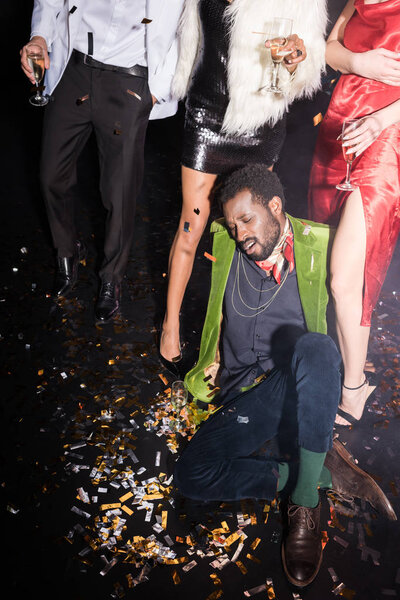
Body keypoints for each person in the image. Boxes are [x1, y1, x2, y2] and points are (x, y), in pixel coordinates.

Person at [174, 165, 396, 588]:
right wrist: (210, 352)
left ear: (275, 207)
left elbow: (355, 297)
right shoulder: (224, 245)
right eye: (233, 224)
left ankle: (305, 501)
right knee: (192, 473)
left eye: (247, 220)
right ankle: (318, 474)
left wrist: (353, 374)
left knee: (316, 347)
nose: (239, 234)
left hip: (299, 389)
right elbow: (212, 301)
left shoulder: (320, 246)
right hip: (245, 396)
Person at [159, 0, 329, 370]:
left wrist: (295, 59)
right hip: (206, 114)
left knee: (242, 230)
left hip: (260, 121)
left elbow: (311, 63)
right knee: (193, 221)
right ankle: (170, 326)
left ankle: (226, 336)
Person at [20, 0, 184, 322]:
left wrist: (156, 93)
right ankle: (67, 250)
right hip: (75, 70)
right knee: (51, 174)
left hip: (130, 81)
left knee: (119, 192)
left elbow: (187, 28)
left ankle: (112, 276)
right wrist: (39, 37)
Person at [308, 0, 400, 426]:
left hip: (388, 130)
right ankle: (351, 378)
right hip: (343, 117)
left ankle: (351, 387)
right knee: (342, 269)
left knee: (343, 275)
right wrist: (360, 61)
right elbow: (328, 49)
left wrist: (383, 121)